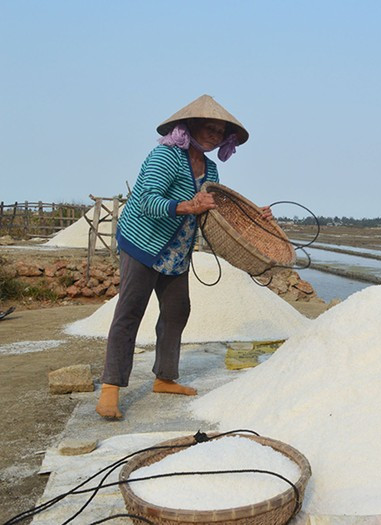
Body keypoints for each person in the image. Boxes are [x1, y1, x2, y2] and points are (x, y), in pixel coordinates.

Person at [96, 95, 272, 419]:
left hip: (176, 252)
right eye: (209, 128)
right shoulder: (166, 156)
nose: (214, 136)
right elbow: (147, 200)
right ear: (190, 126)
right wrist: (187, 206)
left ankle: (164, 378)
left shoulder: (211, 169)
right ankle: (110, 387)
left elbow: (215, 211)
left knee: (177, 310)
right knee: (130, 311)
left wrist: (253, 216)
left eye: (220, 132)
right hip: (143, 243)